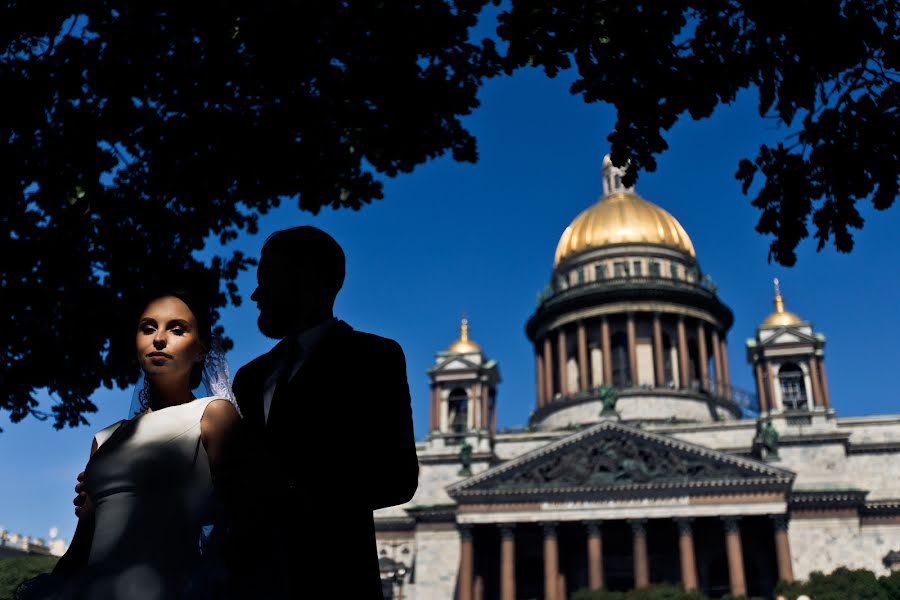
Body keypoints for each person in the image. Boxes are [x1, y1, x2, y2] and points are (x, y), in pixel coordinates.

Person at [226, 226, 418, 598]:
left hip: (334, 578)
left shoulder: (373, 358)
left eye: (267, 279)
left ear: (307, 278)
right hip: (253, 581)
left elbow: (398, 477)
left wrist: (290, 493)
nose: (255, 294)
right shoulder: (250, 377)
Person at [19, 290, 242, 600]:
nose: (159, 339)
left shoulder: (213, 414)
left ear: (202, 348)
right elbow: (81, 546)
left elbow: (242, 515)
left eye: (177, 329)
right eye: (148, 327)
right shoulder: (105, 439)